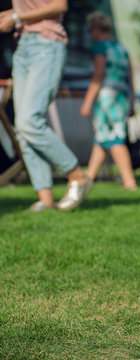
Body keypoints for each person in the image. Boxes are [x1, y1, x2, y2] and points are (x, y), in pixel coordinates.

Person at [0, 0, 93, 211]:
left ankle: (78, 176)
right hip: (23, 45)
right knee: (23, 130)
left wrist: (16, 17)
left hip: (46, 44)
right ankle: (46, 198)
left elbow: (60, 5)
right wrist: (13, 13)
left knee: (29, 121)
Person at [81, 11, 137, 190]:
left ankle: (129, 181)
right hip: (122, 96)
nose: (90, 33)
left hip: (107, 96)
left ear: (97, 28)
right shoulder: (121, 48)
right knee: (101, 137)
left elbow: (98, 75)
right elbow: (130, 76)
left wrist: (88, 101)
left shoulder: (101, 47)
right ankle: (87, 179)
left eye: (90, 29)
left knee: (115, 138)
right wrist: (132, 100)